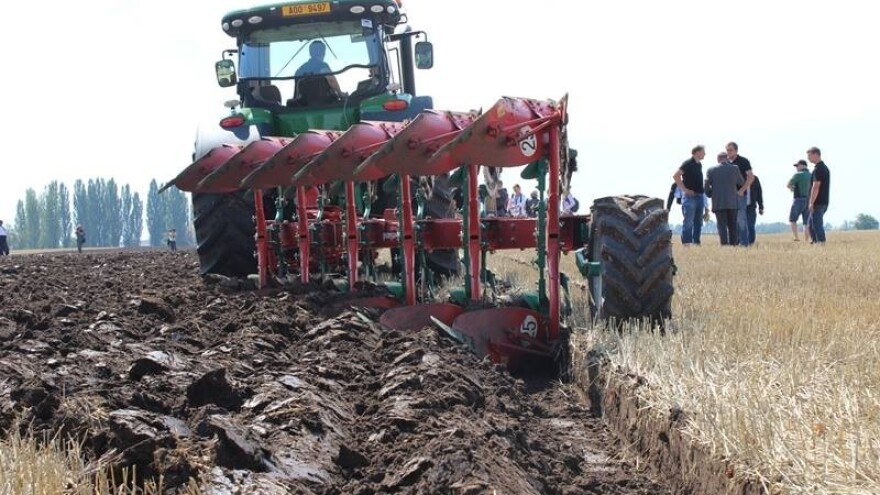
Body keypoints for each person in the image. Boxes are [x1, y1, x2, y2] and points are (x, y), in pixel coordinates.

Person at [704, 151, 745, 245]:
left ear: (718, 159)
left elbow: (706, 185)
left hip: (718, 202)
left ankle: (724, 245)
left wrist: (710, 194)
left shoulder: (711, 170)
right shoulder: (735, 168)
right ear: (726, 158)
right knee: (733, 226)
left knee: (722, 225)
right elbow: (741, 182)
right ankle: (733, 245)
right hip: (732, 202)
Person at [673, 145, 709, 246]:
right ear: (697, 152)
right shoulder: (687, 163)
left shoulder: (699, 164)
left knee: (698, 221)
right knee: (688, 221)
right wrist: (685, 190)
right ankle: (686, 243)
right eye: (703, 152)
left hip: (700, 196)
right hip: (690, 197)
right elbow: (676, 176)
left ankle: (696, 242)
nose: (705, 154)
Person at [726, 141, 755, 246]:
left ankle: (744, 243)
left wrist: (742, 190)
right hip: (729, 197)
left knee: (741, 219)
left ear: (736, 150)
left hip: (740, 196)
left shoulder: (743, 161)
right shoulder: (726, 163)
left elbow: (751, 177)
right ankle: (733, 243)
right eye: (727, 150)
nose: (728, 152)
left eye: (730, 150)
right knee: (731, 220)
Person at [807, 146, 830, 244]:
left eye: (809, 156)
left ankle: (821, 243)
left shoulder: (818, 169)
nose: (808, 158)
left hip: (818, 202)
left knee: (816, 224)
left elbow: (816, 186)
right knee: (811, 224)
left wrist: (811, 202)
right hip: (823, 201)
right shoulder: (824, 168)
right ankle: (815, 242)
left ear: (816, 154)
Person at [787, 159, 812, 241]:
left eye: (797, 166)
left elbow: (788, 184)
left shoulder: (798, 174)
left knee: (792, 219)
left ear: (802, 165)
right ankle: (806, 240)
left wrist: (792, 189)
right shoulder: (811, 175)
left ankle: (796, 237)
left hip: (798, 199)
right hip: (809, 200)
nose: (796, 168)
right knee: (806, 222)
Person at [745, 175, 764, 245]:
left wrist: (761, 207)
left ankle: (751, 242)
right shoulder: (739, 177)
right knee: (740, 226)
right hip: (740, 206)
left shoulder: (755, 179)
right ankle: (741, 242)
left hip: (751, 206)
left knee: (750, 225)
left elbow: (759, 193)